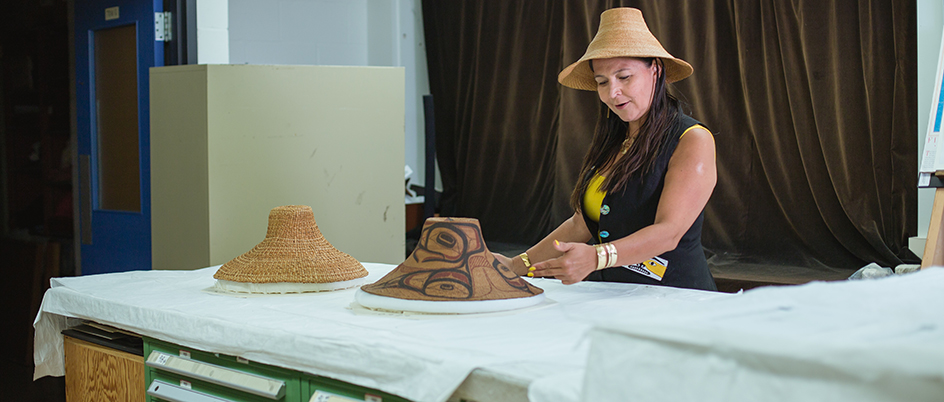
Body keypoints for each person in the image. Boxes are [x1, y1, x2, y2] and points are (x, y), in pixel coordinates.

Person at [495, 7, 717, 291]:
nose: (612, 93)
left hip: (674, 298)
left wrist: (596, 256)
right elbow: (580, 225)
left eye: (624, 77)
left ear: (656, 71)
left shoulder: (692, 139)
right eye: (602, 82)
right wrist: (514, 266)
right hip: (612, 294)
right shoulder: (615, 141)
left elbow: (668, 233)